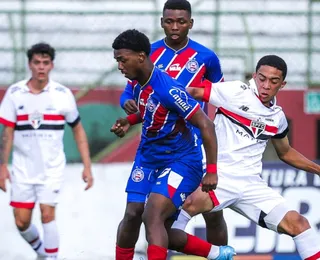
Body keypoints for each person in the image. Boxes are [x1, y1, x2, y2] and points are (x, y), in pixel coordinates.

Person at [170, 54, 320, 260]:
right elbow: (191, 92)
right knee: (179, 216)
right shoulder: (234, 92)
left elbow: (285, 152)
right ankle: (170, 255)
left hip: (251, 185)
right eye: (262, 78)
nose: (266, 85)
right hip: (219, 177)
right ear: (254, 76)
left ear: (282, 84)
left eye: (273, 81)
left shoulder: (277, 118)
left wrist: (318, 170)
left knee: (299, 224)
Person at [116, 0, 227, 258]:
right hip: (156, 142)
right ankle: (215, 253)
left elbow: (221, 96)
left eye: (180, 21)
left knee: (211, 211)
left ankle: (220, 254)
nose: (174, 26)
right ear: (161, 22)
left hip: (195, 141)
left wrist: (215, 156)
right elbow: (131, 95)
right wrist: (127, 109)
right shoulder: (145, 53)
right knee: (141, 215)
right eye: (169, 21)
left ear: (190, 23)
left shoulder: (206, 57)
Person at [0, 42, 93, 260]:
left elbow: (78, 130)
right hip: (23, 170)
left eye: (45, 62)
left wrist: (87, 166)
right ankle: (43, 253)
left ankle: (51, 258)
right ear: (29, 65)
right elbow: (7, 133)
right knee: (22, 222)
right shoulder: (15, 93)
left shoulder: (62, 94)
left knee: (47, 214)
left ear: (51, 65)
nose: (41, 67)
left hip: (52, 169)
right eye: (37, 63)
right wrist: (2, 165)